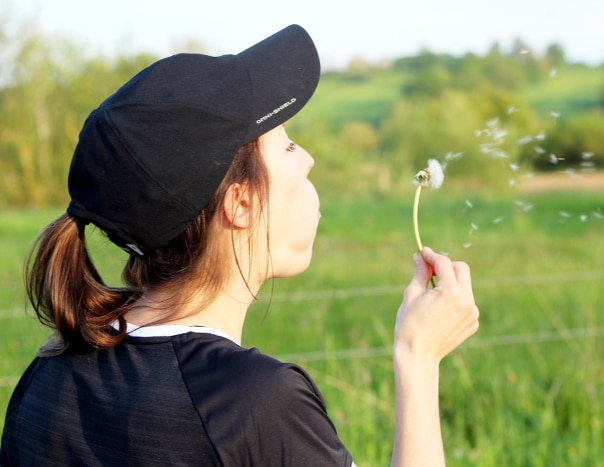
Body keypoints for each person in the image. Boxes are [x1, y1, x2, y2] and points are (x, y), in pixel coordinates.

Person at [0, 24, 479, 467]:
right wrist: (418, 359)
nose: (308, 159)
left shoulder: (45, 379)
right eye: (288, 145)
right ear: (242, 203)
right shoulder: (255, 405)